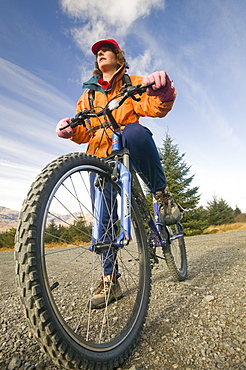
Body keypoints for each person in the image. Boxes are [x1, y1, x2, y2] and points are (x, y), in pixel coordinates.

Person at [56, 38, 180, 308]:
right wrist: (70, 129)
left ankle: (162, 194)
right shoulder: (88, 96)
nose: (100, 54)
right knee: (104, 216)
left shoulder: (131, 82)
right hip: (100, 156)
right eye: (98, 52)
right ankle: (110, 278)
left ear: (118, 57)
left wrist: (164, 92)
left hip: (128, 146)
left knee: (134, 130)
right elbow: (83, 128)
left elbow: (152, 106)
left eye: (106, 50)